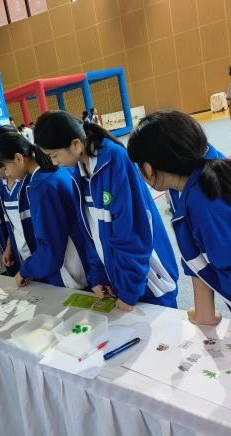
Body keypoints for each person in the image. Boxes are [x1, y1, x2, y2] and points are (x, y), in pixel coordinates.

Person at [127, 110, 231, 343]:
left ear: (147, 168)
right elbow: (195, 254)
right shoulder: (207, 167)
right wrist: (204, 313)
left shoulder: (210, 206)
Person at [34, 111, 178, 309]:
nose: (53, 162)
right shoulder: (77, 173)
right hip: (119, 278)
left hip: (148, 279)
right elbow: (90, 232)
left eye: (54, 155)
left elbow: (131, 232)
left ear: (75, 145)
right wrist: (98, 275)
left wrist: (128, 290)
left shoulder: (114, 160)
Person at [0, 132, 107, 291]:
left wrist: (26, 270)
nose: (6, 174)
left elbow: (51, 246)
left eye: (5, 167)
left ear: (19, 158)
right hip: (85, 261)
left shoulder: (40, 186)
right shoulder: (56, 172)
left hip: (70, 269)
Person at [0, 130, 35, 272]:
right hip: (23, 255)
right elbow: (11, 223)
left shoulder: (27, 180)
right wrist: (9, 247)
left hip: (38, 254)